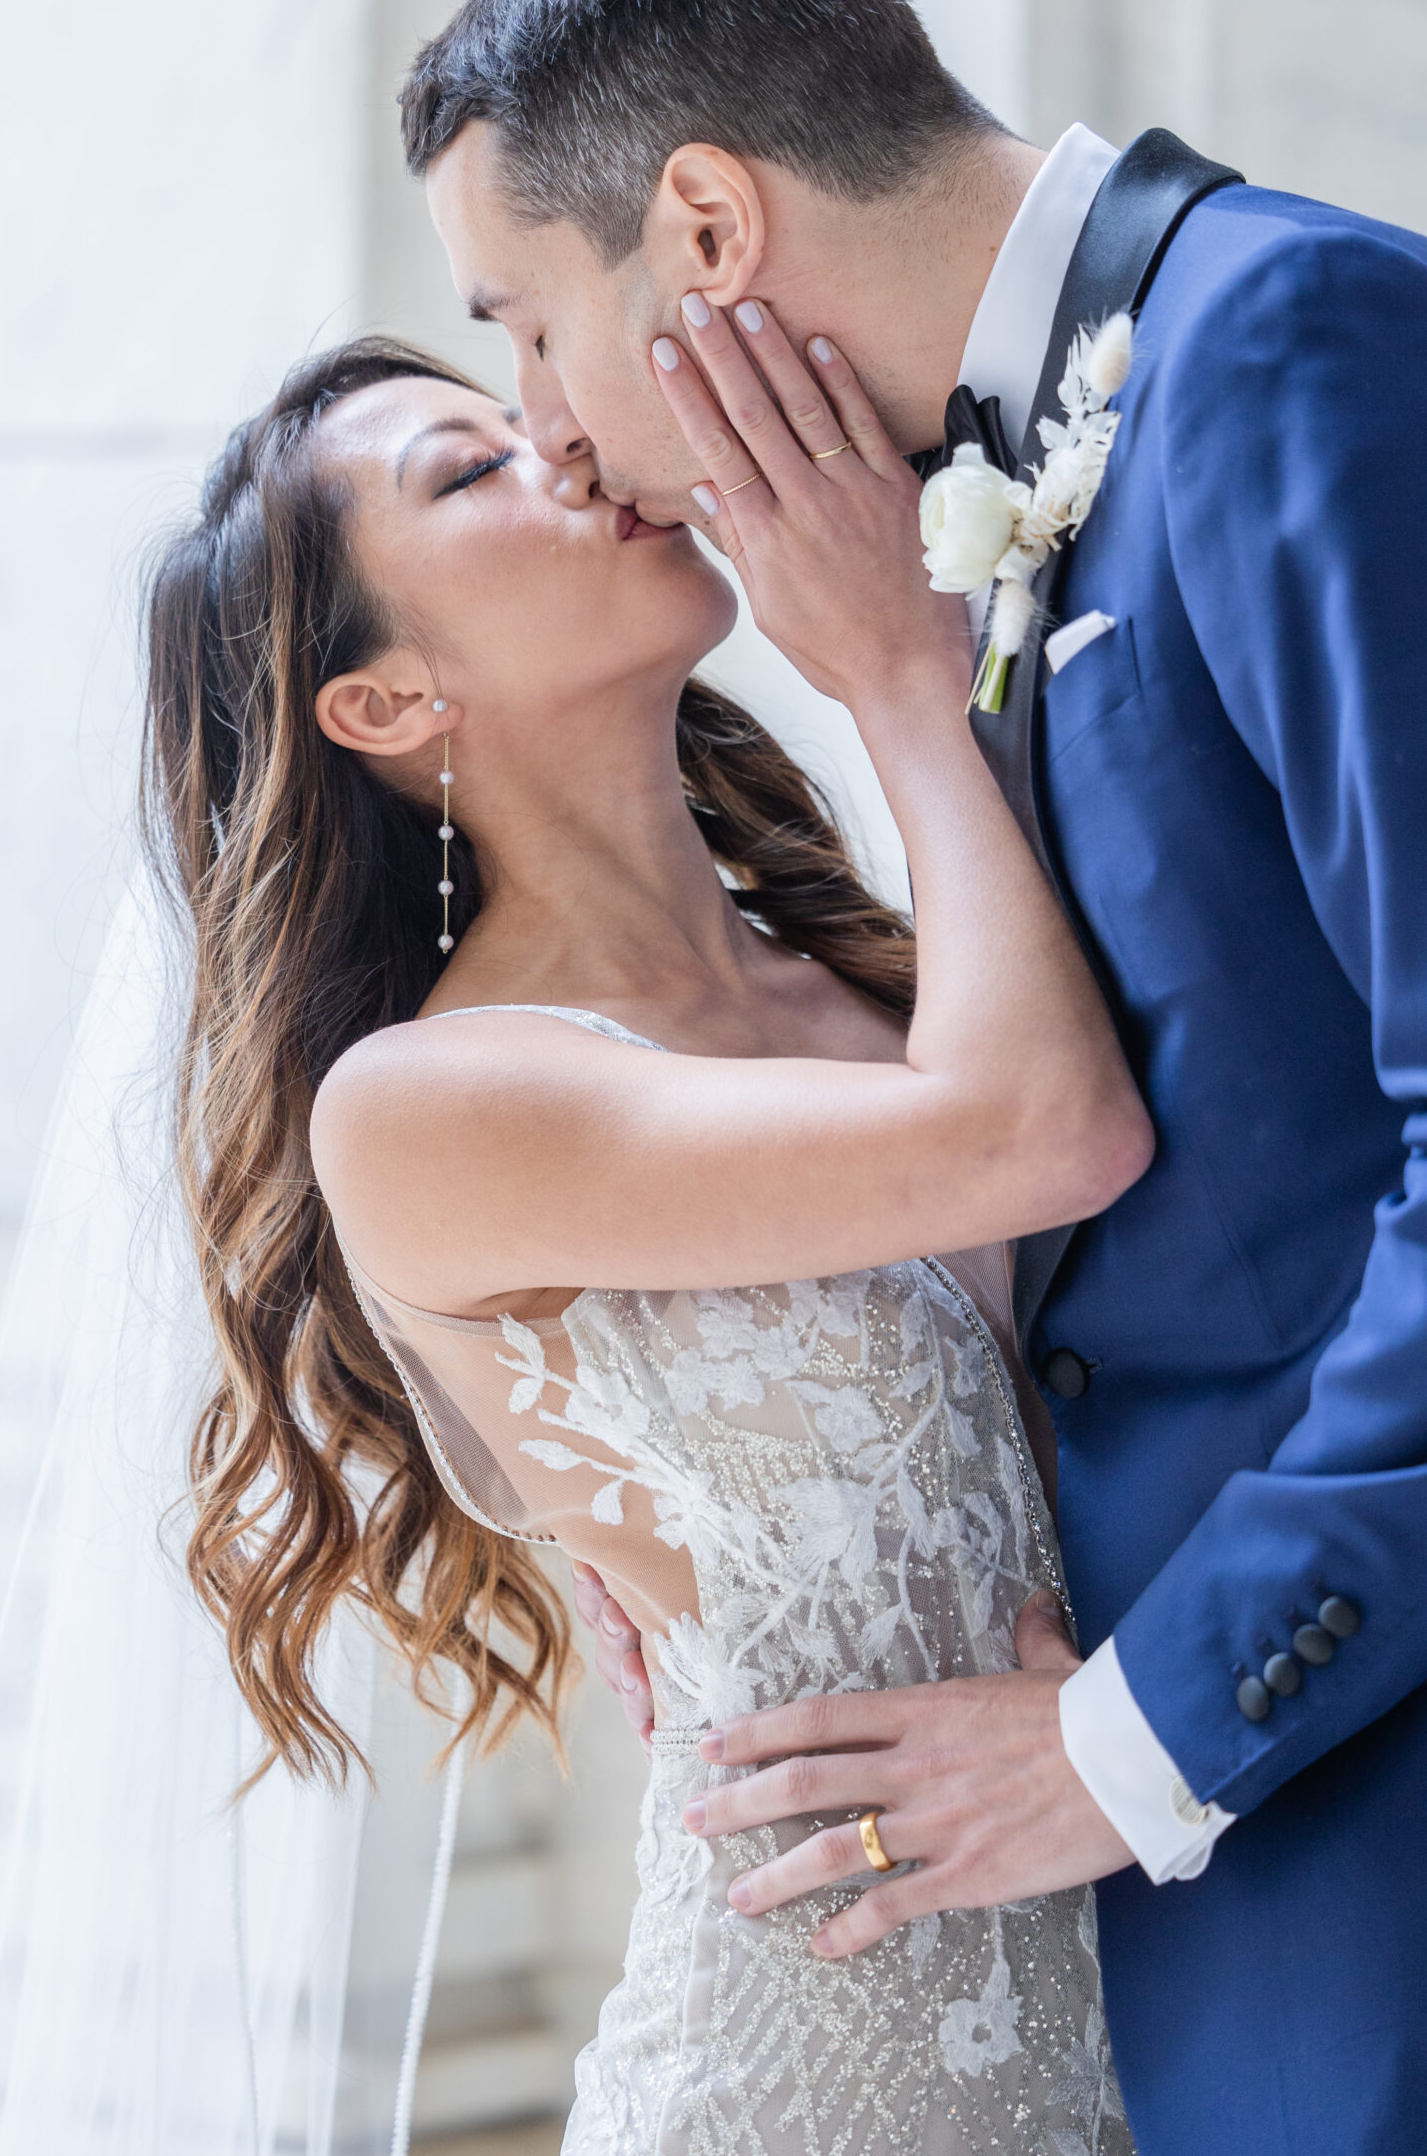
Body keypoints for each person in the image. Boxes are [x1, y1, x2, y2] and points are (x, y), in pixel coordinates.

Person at [397, 0, 1427, 2156]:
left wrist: (1140, 1729)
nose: (544, 418)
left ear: (703, 229)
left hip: (1404, 1817)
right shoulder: (964, 507)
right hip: (1166, 1882)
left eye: (523, 316)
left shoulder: (1294, 345)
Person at [141, 334, 1153, 2153]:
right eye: (471, 471)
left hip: (1155, 2011)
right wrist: (903, 679)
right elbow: (1050, 1139)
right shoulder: (425, 1108)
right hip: (799, 2077)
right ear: (385, 704)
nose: (569, 451)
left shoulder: (884, 976)